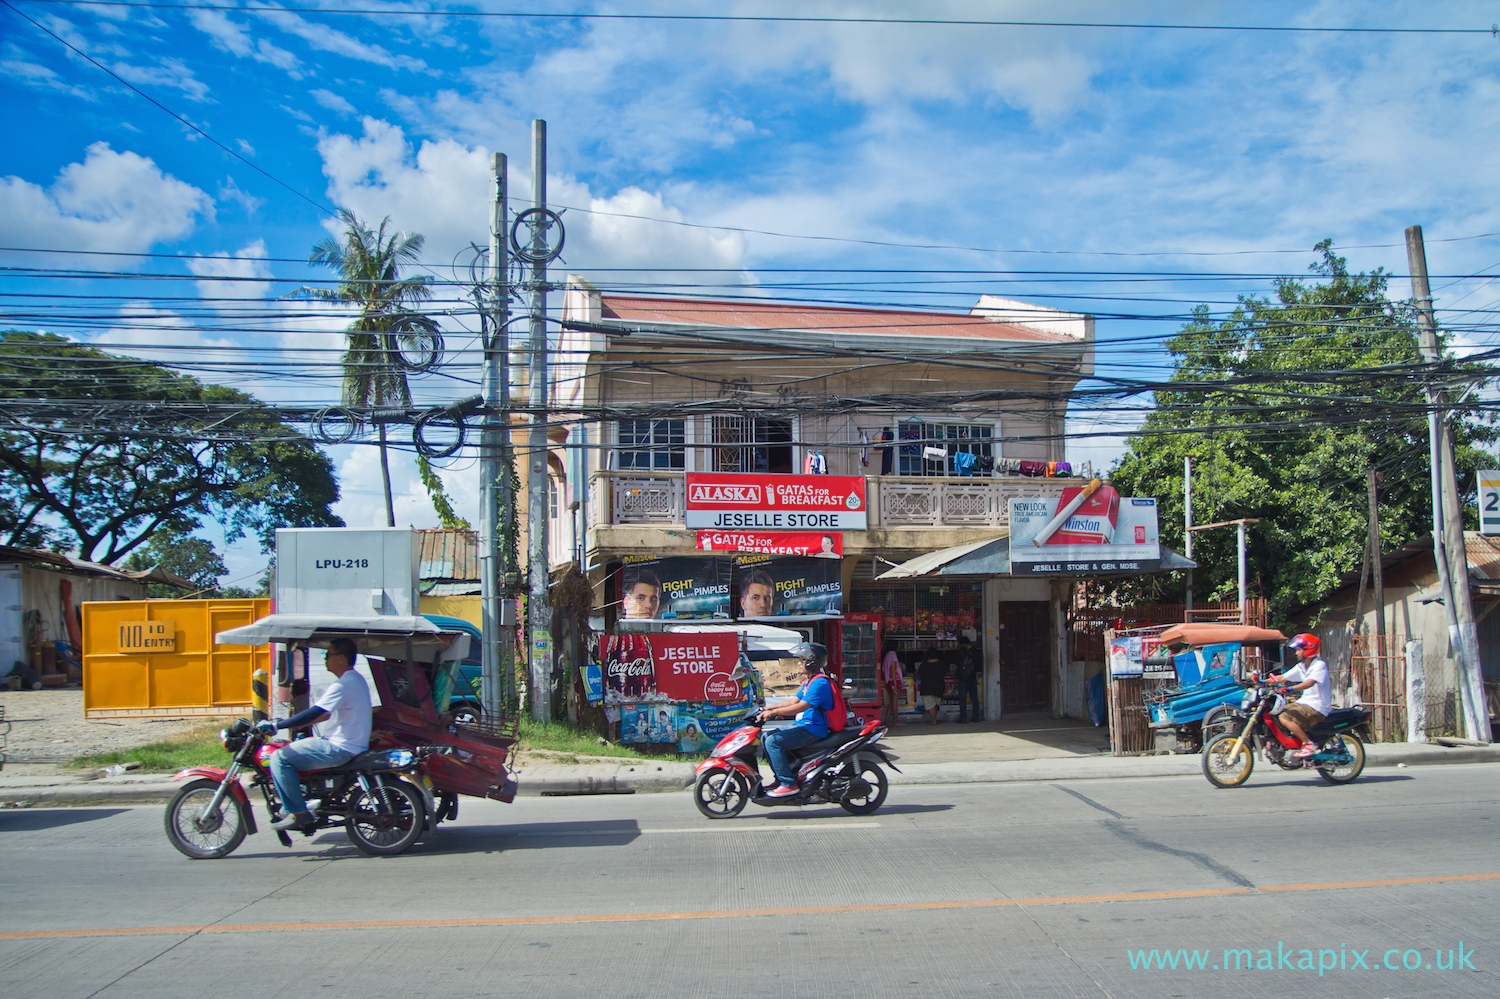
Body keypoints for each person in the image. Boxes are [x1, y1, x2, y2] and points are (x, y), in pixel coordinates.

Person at [258, 638, 372, 831]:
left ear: (342, 659)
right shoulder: (356, 679)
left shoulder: (343, 684)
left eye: (329, 655)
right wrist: (299, 725)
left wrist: (279, 725)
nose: (326, 658)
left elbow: (317, 712)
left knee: (279, 758)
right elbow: (325, 714)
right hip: (349, 744)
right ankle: (307, 800)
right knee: (298, 746)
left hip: (339, 748)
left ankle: (299, 813)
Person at [756, 642, 833, 797]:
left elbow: (801, 706)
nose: (798, 664)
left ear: (812, 662)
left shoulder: (820, 682)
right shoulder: (810, 681)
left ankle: (788, 784)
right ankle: (781, 778)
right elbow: (792, 701)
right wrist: (768, 709)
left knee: (773, 741)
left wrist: (774, 712)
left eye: (802, 660)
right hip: (803, 726)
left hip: (813, 729)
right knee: (766, 737)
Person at [1267, 633, 1331, 758]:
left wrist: (1290, 688)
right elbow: (1282, 677)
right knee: (1276, 713)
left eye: (1299, 650)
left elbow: (1309, 683)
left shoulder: (1319, 665)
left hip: (1317, 706)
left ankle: (1309, 744)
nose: (1296, 653)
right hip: (1304, 702)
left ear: (1309, 650)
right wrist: (1263, 681)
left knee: (1285, 717)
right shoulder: (1302, 666)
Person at [917, 650, 947, 725]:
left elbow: (919, 673)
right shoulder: (940, 663)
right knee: (935, 704)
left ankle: (933, 721)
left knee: (930, 705)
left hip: (927, 687)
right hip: (939, 686)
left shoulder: (924, 664)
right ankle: (934, 719)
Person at [955, 636, 981, 723]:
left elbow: (957, 662)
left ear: (962, 644)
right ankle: (976, 716)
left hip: (962, 677)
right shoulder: (975, 651)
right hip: (972, 676)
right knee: (974, 697)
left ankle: (963, 717)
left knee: (962, 697)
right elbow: (978, 664)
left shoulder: (962, 651)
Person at [880, 643, 904, 726]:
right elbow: (893, 670)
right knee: (895, 702)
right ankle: (896, 720)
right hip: (895, 681)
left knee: (892, 701)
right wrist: (895, 684)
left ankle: (887, 720)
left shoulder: (887, 655)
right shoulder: (893, 655)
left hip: (888, 681)